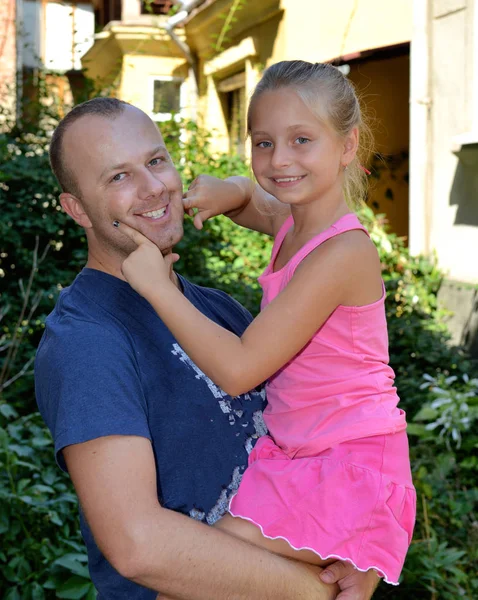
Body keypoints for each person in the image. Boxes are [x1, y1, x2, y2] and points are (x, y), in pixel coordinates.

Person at [34, 96, 379, 600]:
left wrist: (355, 549)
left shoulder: (217, 312)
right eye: (118, 177)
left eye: (155, 161)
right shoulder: (86, 339)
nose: (154, 188)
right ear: (76, 208)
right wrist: (315, 590)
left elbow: (323, 429)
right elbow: (137, 543)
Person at [115, 60, 416, 589]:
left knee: (190, 575)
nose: (280, 160)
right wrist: (229, 190)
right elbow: (259, 199)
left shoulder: (343, 253)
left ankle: (361, 545)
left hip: (349, 461)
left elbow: (239, 368)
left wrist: (157, 287)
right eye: (263, 143)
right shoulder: (294, 221)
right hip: (295, 454)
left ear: (348, 146)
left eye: (302, 140)